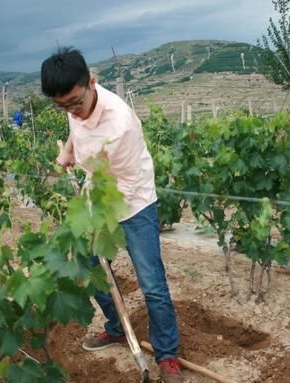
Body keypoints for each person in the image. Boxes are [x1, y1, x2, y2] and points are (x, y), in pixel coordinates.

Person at [41, 47, 183, 383]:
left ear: (91, 82)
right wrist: (66, 151)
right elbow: (76, 133)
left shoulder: (119, 122)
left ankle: (168, 354)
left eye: (75, 102)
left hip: (133, 202)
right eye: (62, 105)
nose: (71, 110)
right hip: (98, 198)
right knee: (95, 272)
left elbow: (122, 184)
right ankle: (118, 328)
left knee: (152, 284)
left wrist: (99, 221)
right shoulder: (72, 105)